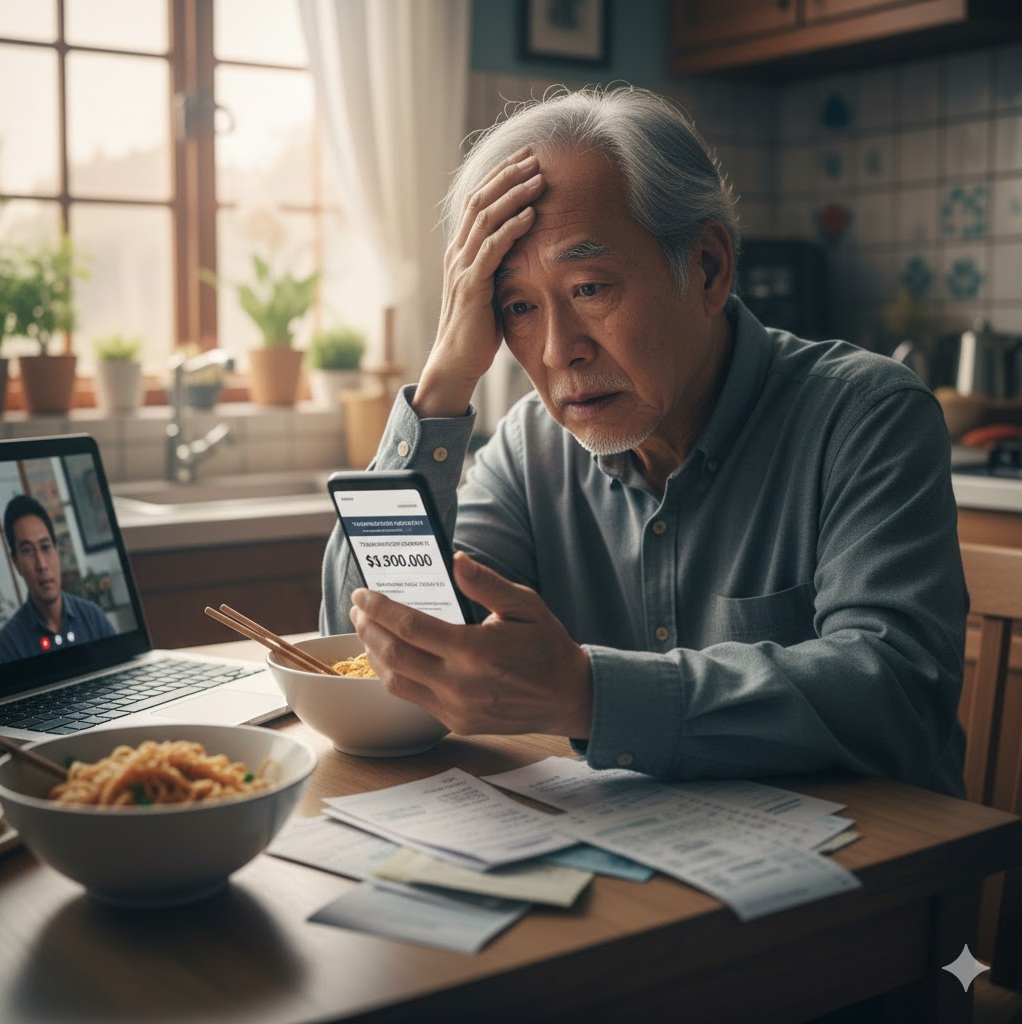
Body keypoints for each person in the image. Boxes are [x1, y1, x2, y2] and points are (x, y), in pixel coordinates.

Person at [321, 85, 967, 796]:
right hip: (634, 873)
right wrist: (445, 378)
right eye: (518, 307)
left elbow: (899, 693)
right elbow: (378, 642)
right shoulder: (530, 447)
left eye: (591, 288)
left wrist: (588, 693)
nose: (560, 349)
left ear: (709, 268)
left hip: (874, 874)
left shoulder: (866, 415)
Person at [0, 494, 116, 663]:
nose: (41, 564)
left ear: (56, 551)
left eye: (45, 547)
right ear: (16, 563)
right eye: (27, 551)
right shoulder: (9, 644)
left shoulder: (93, 618)